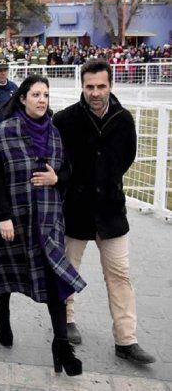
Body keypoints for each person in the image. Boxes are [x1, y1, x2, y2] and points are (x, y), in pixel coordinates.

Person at [0, 74, 86, 376]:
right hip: (13, 218)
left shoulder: (56, 134)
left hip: (46, 220)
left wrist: (57, 178)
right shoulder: (5, 131)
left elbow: (68, 171)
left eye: (45, 95)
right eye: (35, 95)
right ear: (22, 99)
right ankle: (2, 314)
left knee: (55, 279)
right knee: (6, 270)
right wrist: (4, 216)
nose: (42, 100)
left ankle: (61, 346)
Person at [52, 59, 156, 364]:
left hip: (111, 212)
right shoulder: (65, 120)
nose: (96, 93)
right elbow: (58, 162)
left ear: (110, 85)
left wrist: (105, 184)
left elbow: (126, 159)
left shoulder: (124, 120)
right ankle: (67, 320)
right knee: (67, 269)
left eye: (101, 86)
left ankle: (126, 339)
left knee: (120, 274)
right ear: (82, 86)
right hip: (75, 211)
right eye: (90, 87)